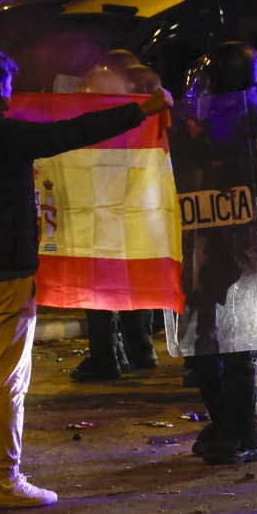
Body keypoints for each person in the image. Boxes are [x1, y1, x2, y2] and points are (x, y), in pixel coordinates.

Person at [0, 48, 172, 506]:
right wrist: (144, 109)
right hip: (7, 276)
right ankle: (5, 481)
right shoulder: (8, 135)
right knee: (7, 385)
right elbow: (77, 130)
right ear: (0, 89)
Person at [180, 42, 257, 465]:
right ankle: (225, 423)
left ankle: (246, 434)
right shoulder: (221, 122)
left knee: (239, 345)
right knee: (202, 344)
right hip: (210, 243)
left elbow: (247, 181)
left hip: (244, 249)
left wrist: (201, 143)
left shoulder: (255, 125)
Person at [69, 59, 160, 382]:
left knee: (100, 286)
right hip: (136, 216)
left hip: (104, 214)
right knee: (132, 281)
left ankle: (107, 355)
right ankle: (139, 348)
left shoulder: (103, 129)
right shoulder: (144, 126)